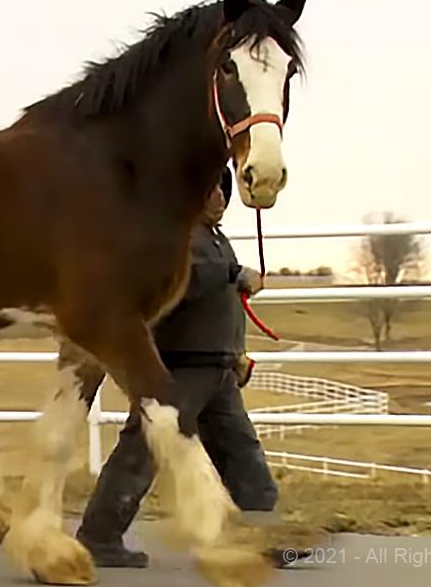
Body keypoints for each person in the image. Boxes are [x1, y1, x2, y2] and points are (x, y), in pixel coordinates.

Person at [74, 167, 282, 568]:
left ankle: (271, 535)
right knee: (144, 446)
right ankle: (98, 535)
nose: (219, 197)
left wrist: (235, 351)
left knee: (241, 453)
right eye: (209, 190)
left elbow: (221, 303)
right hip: (181, 365)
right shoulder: (176, 237)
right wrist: (233, 274)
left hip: (216, 365)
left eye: (222, 190)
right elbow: (179, 283)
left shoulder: (216, 240)